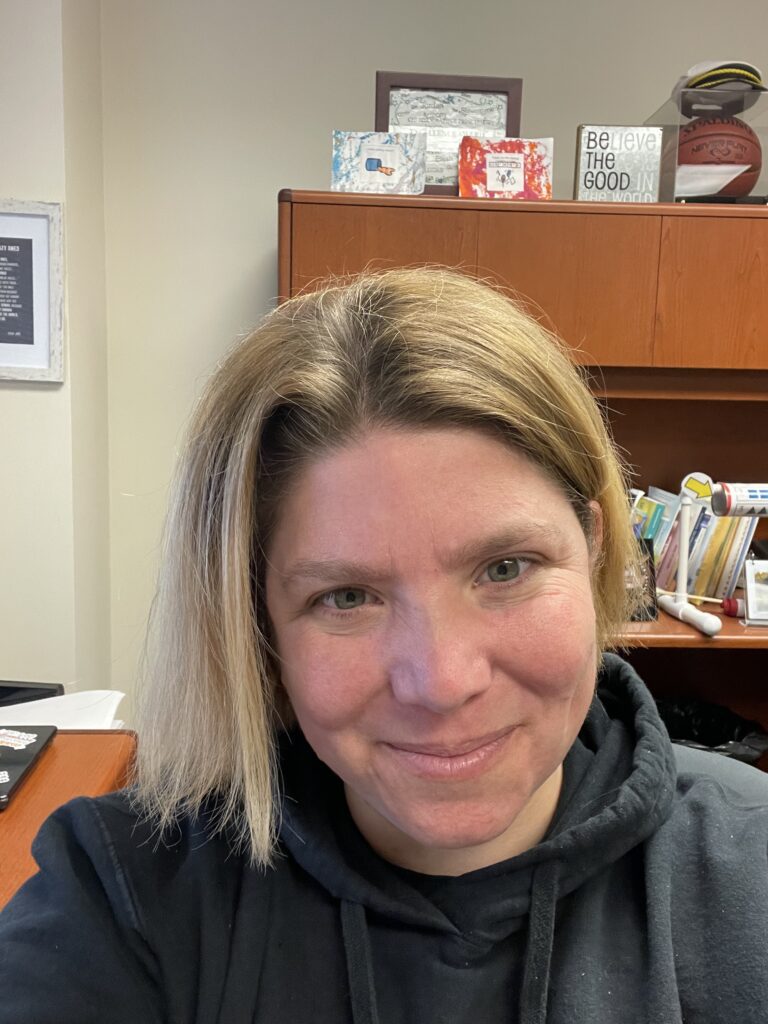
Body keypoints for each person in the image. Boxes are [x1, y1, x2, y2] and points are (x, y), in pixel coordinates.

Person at [1, 268, 767, 1023]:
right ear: (257, 624)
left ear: (593, 550)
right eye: (346, 597)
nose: (441, 681)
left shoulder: (749, 867)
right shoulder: (123, 894)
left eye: (505, 568)